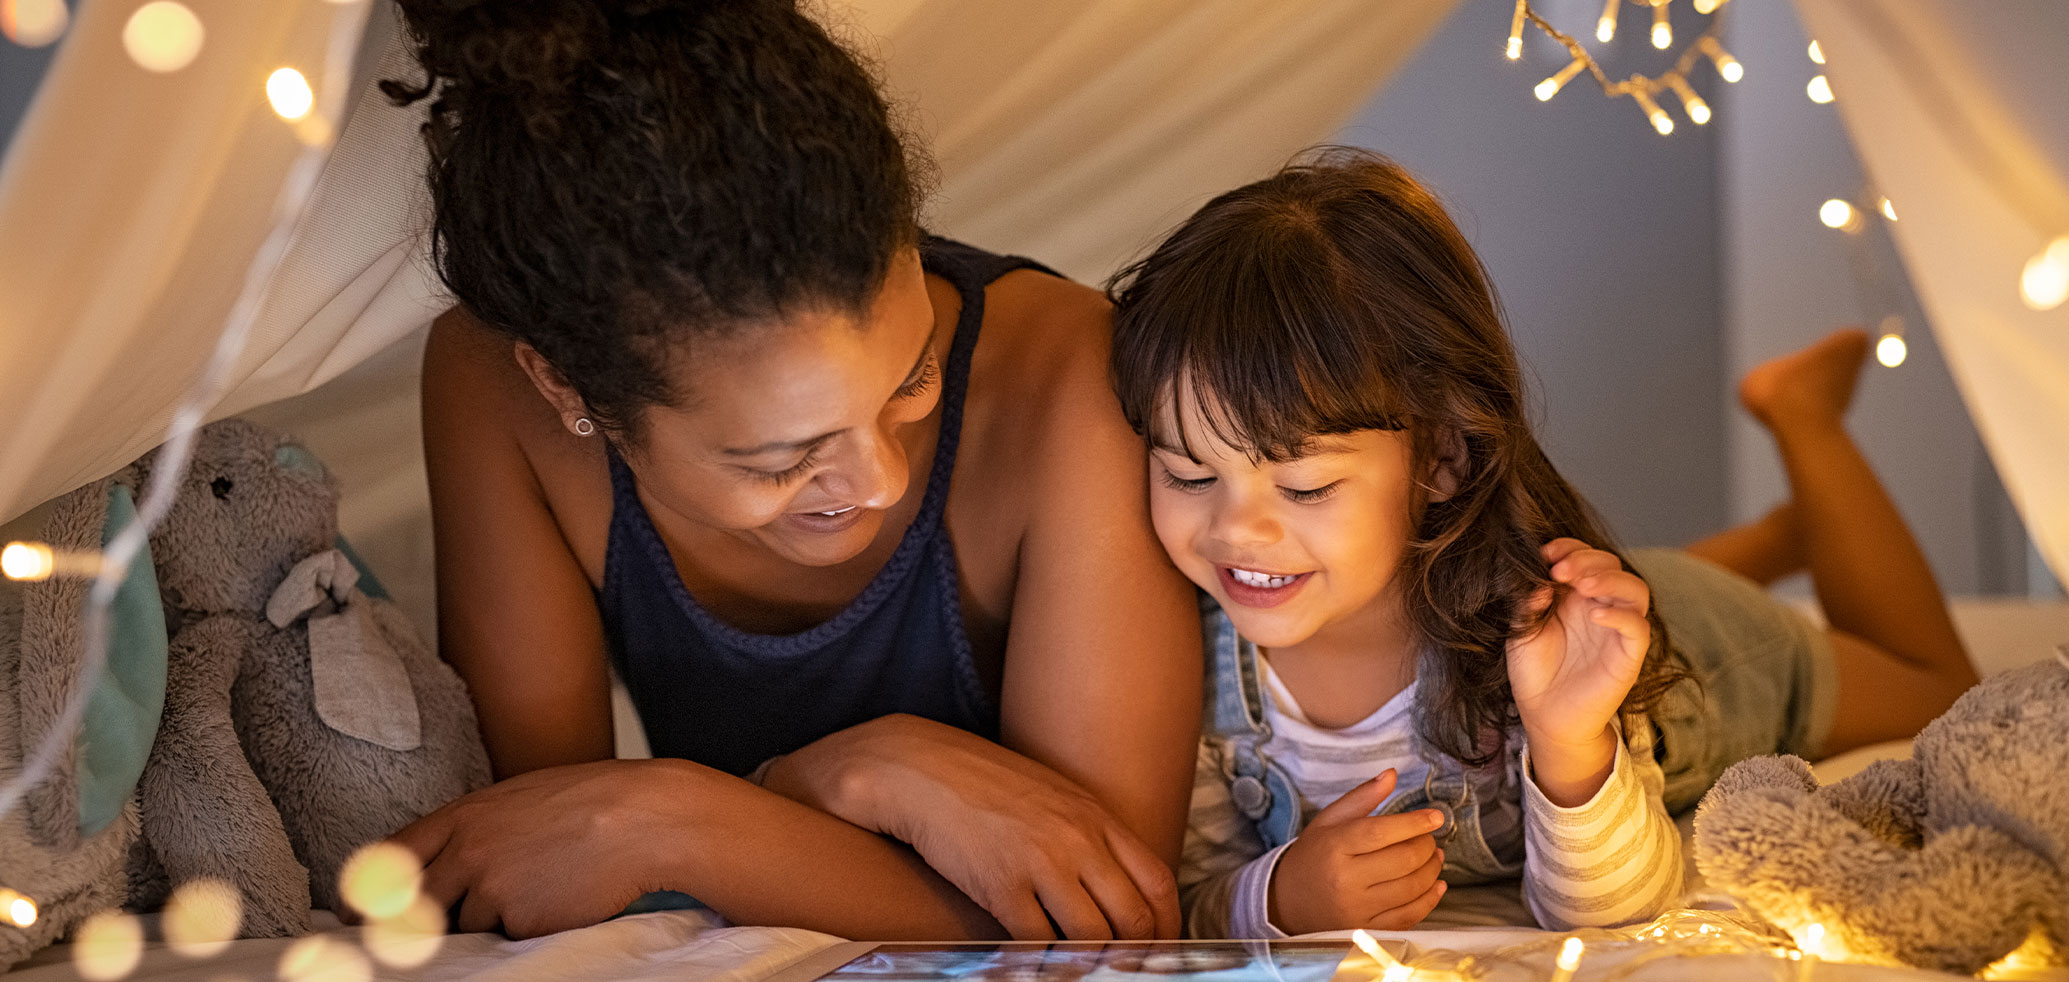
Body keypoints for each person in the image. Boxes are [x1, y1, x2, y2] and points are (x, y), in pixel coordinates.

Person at [382, 0, 1201, 940]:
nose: (880, 478)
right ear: (566, 385)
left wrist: (703, 811)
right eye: (783, 459)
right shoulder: (492, 388)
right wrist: (785, 798)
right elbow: (535, 860)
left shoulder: (1068, 382)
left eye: (914, 377)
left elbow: (1110, 926)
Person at [1101, 148, 1979, 937]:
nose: (1234, 528)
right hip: (1569, 587)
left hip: (1697, 657)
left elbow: (1615, 907)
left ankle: (1803, 417)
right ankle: (1781, 537)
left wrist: (1568, 744)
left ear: (1441, 456)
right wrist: (1277, 897)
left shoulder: (1536, 651)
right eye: (1186, 474)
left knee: (1939, 689)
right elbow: (1186, 891)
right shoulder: (1192, 664)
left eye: (1304, 487)